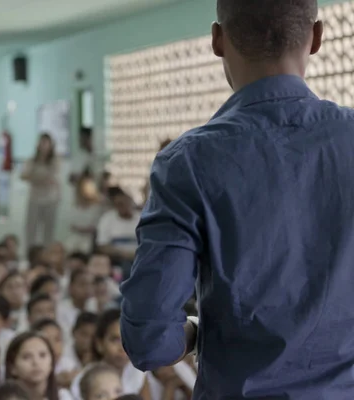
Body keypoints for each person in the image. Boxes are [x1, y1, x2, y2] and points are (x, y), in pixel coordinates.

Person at [119, 0, 354, 398]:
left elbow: (149, 338)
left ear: (217, 40)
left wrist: (194, 332)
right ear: (316, 38)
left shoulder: (187, 163)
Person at [4, 331, 73, 400]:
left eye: (42, 355)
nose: (36, 362)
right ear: (12, 367)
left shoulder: (63, 396)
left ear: (51, 363)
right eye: (26, 357)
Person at [21, 133, 60, 247]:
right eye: (42, 143)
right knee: (31, 229)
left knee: (48, 231)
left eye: (46, 143)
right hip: (35, 199)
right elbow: (24, 176)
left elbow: (52, 179)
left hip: (50, 200)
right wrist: (39, 179)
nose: (44, 146)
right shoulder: (32, 161)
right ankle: (30, 254)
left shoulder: (55, 161)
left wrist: (35, 178)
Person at [96, 190, 140, 269]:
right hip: (117, 259)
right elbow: (102, 246)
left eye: (126, 203)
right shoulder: (107, 219)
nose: (123, 206)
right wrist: (123, 254)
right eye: (119, 204)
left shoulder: (141, 218)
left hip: (141, 257)